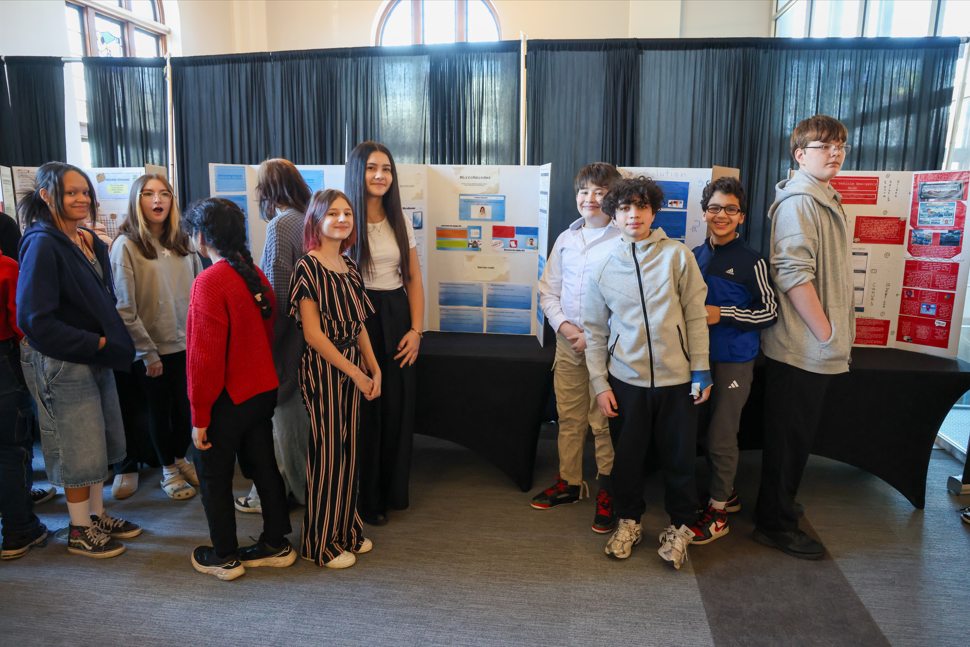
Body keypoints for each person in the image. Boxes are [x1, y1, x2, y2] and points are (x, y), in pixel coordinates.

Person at [583, 176, 711, 569]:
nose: (633, 214)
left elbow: (695, 316)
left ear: (654, 212)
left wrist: (701, 369)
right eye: (624, 208)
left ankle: (680, 528)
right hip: (626, 382)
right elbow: (594, 331)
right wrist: (600, 383)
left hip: (678, 381)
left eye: (641, 206)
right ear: (614, 215)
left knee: (680, 460)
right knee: (627, 460)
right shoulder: (602, 265)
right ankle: (629, 521)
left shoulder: (678, 256)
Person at [17, 162, 140, 559]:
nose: (82, 199)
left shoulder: (83, 238)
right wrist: (96, 341)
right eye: (71, 192)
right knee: (78, 447)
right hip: (64, 362)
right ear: (47, 195)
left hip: (93, 355)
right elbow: (33, 319)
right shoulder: (42, 243)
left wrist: (101, 345)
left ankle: (97, 515)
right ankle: (78, 529)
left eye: (85, 191)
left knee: (98, 442)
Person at [754, 114, 854, 561]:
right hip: (802, 346)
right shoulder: (800, 202)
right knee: (788, 439)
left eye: (841, 145)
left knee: (794, 437)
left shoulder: (822, 196)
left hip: (812, 346)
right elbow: (792, 273)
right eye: (824, 146)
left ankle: (778, 507)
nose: (836, 153)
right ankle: (774, 525)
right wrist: (825, 334)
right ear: (799, 154)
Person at [183, 198, 295, 581]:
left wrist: (200, 416)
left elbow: (204, 359)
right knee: (264, 466)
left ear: (201, 237)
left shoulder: (209, 282)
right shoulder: (253, 274)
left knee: (214, 476)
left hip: (227, 399)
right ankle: (276, 543)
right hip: (261, 391)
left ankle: (225, 557)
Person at [291, 189, 380, 568]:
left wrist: (375, 367)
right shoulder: (307, 267)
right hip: (323, 368)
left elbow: (358, 325)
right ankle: (321, 541)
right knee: (328, 455)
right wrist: (357, 372)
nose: (342, 219)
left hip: (352, 365)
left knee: (349, 451)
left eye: (347, 213)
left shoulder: (350, 266)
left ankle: (346, 530)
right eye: (332, 213)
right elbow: (313, 334)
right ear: (316, 220)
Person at [533, 162, 621, 534]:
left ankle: (608, 490)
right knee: (568, 417)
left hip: (608, 347)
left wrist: (594, 337)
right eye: (584, 191)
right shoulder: (566, 239)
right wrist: (567, 328)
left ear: (613, 197)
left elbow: (629, 302)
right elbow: (548, 291)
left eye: (600, 192)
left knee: (603, 422)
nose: (590, 198)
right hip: (568, 342)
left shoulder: (624, 238)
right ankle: (569, 482)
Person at [688, 177, 777, 545]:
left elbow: (769, 311)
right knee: (699, 432)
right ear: (704, 212)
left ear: (741, 216)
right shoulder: (694, 254)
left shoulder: (752, 261)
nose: (721, 215)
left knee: (721, 436)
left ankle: (719, 512)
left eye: (730, 209)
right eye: (714, 208)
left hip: (734, 361)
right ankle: (725, 493)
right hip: (696, 359)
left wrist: (721, 313)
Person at [345, 141, 424, 527]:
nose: (380, 175)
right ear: (357, 172)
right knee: (365, 409)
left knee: (396, 407)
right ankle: (366, 498)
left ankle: (392, 493)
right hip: (356, 318)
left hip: (396, 316)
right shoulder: (344, 219)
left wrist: (416, 330)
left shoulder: (399, 219)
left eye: (387, 169)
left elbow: (413, 279)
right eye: (371, 168)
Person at [111, 174, 203, 501]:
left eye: (164, 193)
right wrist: (147, 352)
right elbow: (125, 308)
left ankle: (179, 458)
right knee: (159, 411)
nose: (157, 199)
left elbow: (199, 293)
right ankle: (168, 469)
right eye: (149, 194)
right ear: (137, 200)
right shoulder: (126, 245)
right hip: (152, 349)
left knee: (185, 409)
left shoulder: (184, 240)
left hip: (186, 345)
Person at [234, 158, 313, 514]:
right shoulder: (310, 218)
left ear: (266, 189)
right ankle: (286, 490)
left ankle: (295, 494)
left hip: (290, 337)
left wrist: (268, 342)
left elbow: (278, 291)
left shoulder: (282, 224)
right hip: (313, 336)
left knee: (286, 421)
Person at [0, 248, 49, 560]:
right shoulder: (5, 267)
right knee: (12, 449)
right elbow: (20, 321)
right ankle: (19, 530)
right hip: (2, 360)